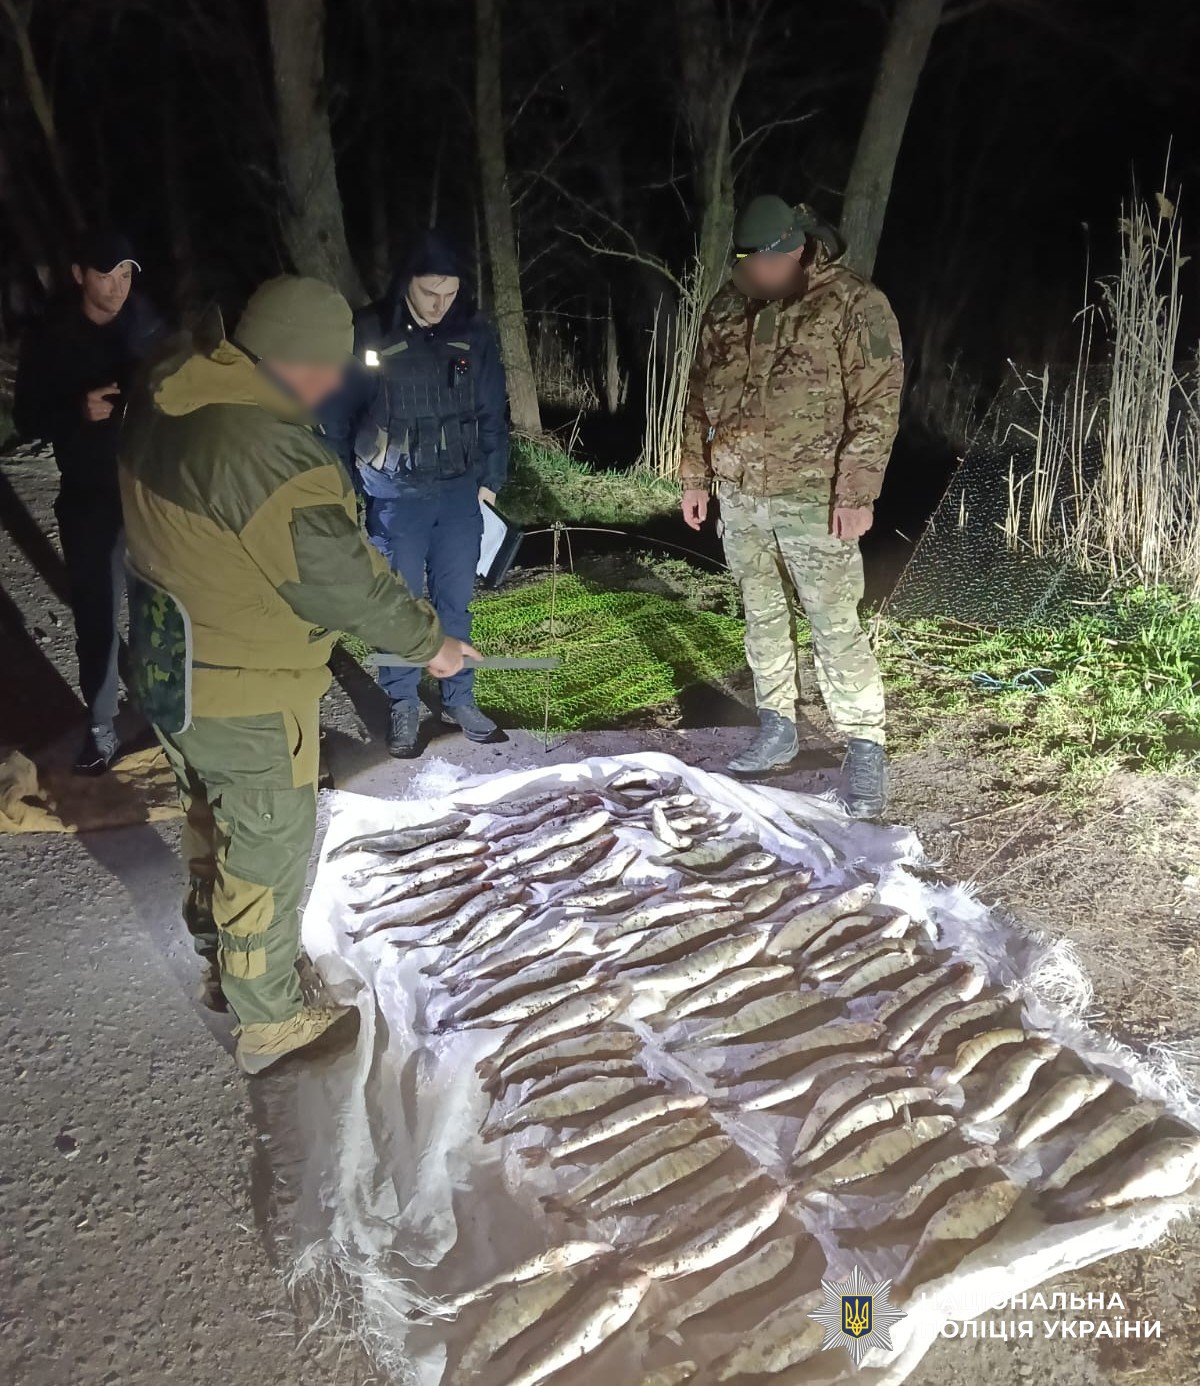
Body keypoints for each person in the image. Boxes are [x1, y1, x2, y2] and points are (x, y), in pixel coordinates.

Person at [119, 276, 476, 1075]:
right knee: (267, 847)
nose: (330, 387)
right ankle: (271, 1019)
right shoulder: (262, 449)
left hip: (171, 666)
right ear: (296, 361)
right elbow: (339, 581)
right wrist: (431, 643)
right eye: (327, 371)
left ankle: (221, 951)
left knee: (212, 815)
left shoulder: (174, 387)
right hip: (242, 684)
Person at [680, 195, 904, 818]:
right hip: (741, 497)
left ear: (798, 249)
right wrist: (695, 479)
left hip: (815, 499)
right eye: (748, 263)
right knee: (761, 616)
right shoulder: (726, 307)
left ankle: (865, 745)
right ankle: (777, 725)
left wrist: (856, 494)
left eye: (770, 262)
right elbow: (697, 398)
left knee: (834, 624)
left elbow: (877, 405)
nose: (759, 273)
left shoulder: (854, 304)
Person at [323, 229, 509, 758]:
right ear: (407, 282)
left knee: (456, 600)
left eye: (449, 292)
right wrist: (343, 488)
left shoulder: (473, 334)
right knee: (398, 603)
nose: (439, 303)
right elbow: (337, 417)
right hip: (395, 495)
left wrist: (491, 481)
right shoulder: (369, 332)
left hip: (459, 493)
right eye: (429, 291)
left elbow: (493, 413)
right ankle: (402, 701)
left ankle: (460, 698)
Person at [13, 229, 167, 773]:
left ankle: (163, 713)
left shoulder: (146, 325)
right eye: (107, 274)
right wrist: (77, 411)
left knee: (158, 612)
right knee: (98, 615)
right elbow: (27, 419)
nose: (118, 286)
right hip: (89, 495)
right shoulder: (52, 337)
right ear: (79, 274)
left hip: (149, 494)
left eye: (126, 274)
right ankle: (102, 725)